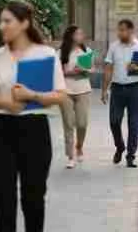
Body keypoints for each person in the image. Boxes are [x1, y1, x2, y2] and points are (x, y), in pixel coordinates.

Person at [0, 0, 67, 232]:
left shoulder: (46, 54)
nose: (1, 26)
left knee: (33, 198)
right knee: (3, 199)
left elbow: (60, 95)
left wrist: (33, 95)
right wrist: (7, 103)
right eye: (1, 21)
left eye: (7, 21)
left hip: (35, 130)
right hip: (1, 129)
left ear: (24, 23)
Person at [101, 19, 138, 168]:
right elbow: (108, 69)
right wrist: (104, 90)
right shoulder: (113, 47)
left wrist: (137, 69)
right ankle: (120, 146)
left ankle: (131, 155)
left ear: (131, 31)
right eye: (119, 30)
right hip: (117, 89)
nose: (120, 33)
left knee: (134, 123)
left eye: (123, 30)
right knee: (114, 121)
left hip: (134, 89)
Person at [57, 26, 92, 169]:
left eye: (82, 33)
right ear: (71, 36)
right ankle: (70, 156)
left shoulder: (86, 51)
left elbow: (89, 70)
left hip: (83, 90)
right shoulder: (60, 53)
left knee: (82, 123)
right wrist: (69, 72)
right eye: (78, 33)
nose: (81, 35)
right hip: (65, 91)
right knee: (68, 123)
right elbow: (57, 73)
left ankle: (79, 146)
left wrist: (83, 70)